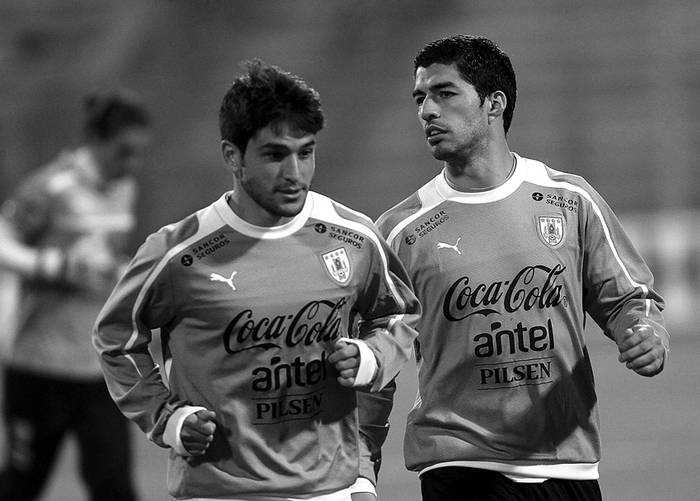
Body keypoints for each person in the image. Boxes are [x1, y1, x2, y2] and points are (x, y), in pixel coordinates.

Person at [93, 59, 420, 501]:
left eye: (306, 152)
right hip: (218, 490)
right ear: (233, 155)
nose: (295, 174)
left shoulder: (355, 237)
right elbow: (116, 337)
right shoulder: (176, 253)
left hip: (327, 488)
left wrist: (374, 355)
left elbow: (400, 314)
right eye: (274, 155)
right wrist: (166, 419)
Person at [376, 35, 670, 500]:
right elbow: (373, 357)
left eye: (444, 93)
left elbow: (629, 300)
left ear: (495, 103)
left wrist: (646, 334)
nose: (427, 111)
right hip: (459, 464)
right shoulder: (400, 231)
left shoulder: (570, 200)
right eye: (420, 98)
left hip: (567, 465)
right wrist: (357, 470)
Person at [0, 90, 151, 501]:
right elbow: (3, 241)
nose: (132, 164)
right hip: (39, 366)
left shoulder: (124, 189)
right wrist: (55, 266)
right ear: (96, 141)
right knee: (20, 485)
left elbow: (108, 257)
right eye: (124, 152)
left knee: (115, 488)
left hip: (98, 368)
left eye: (138, 154)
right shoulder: (50, 186)